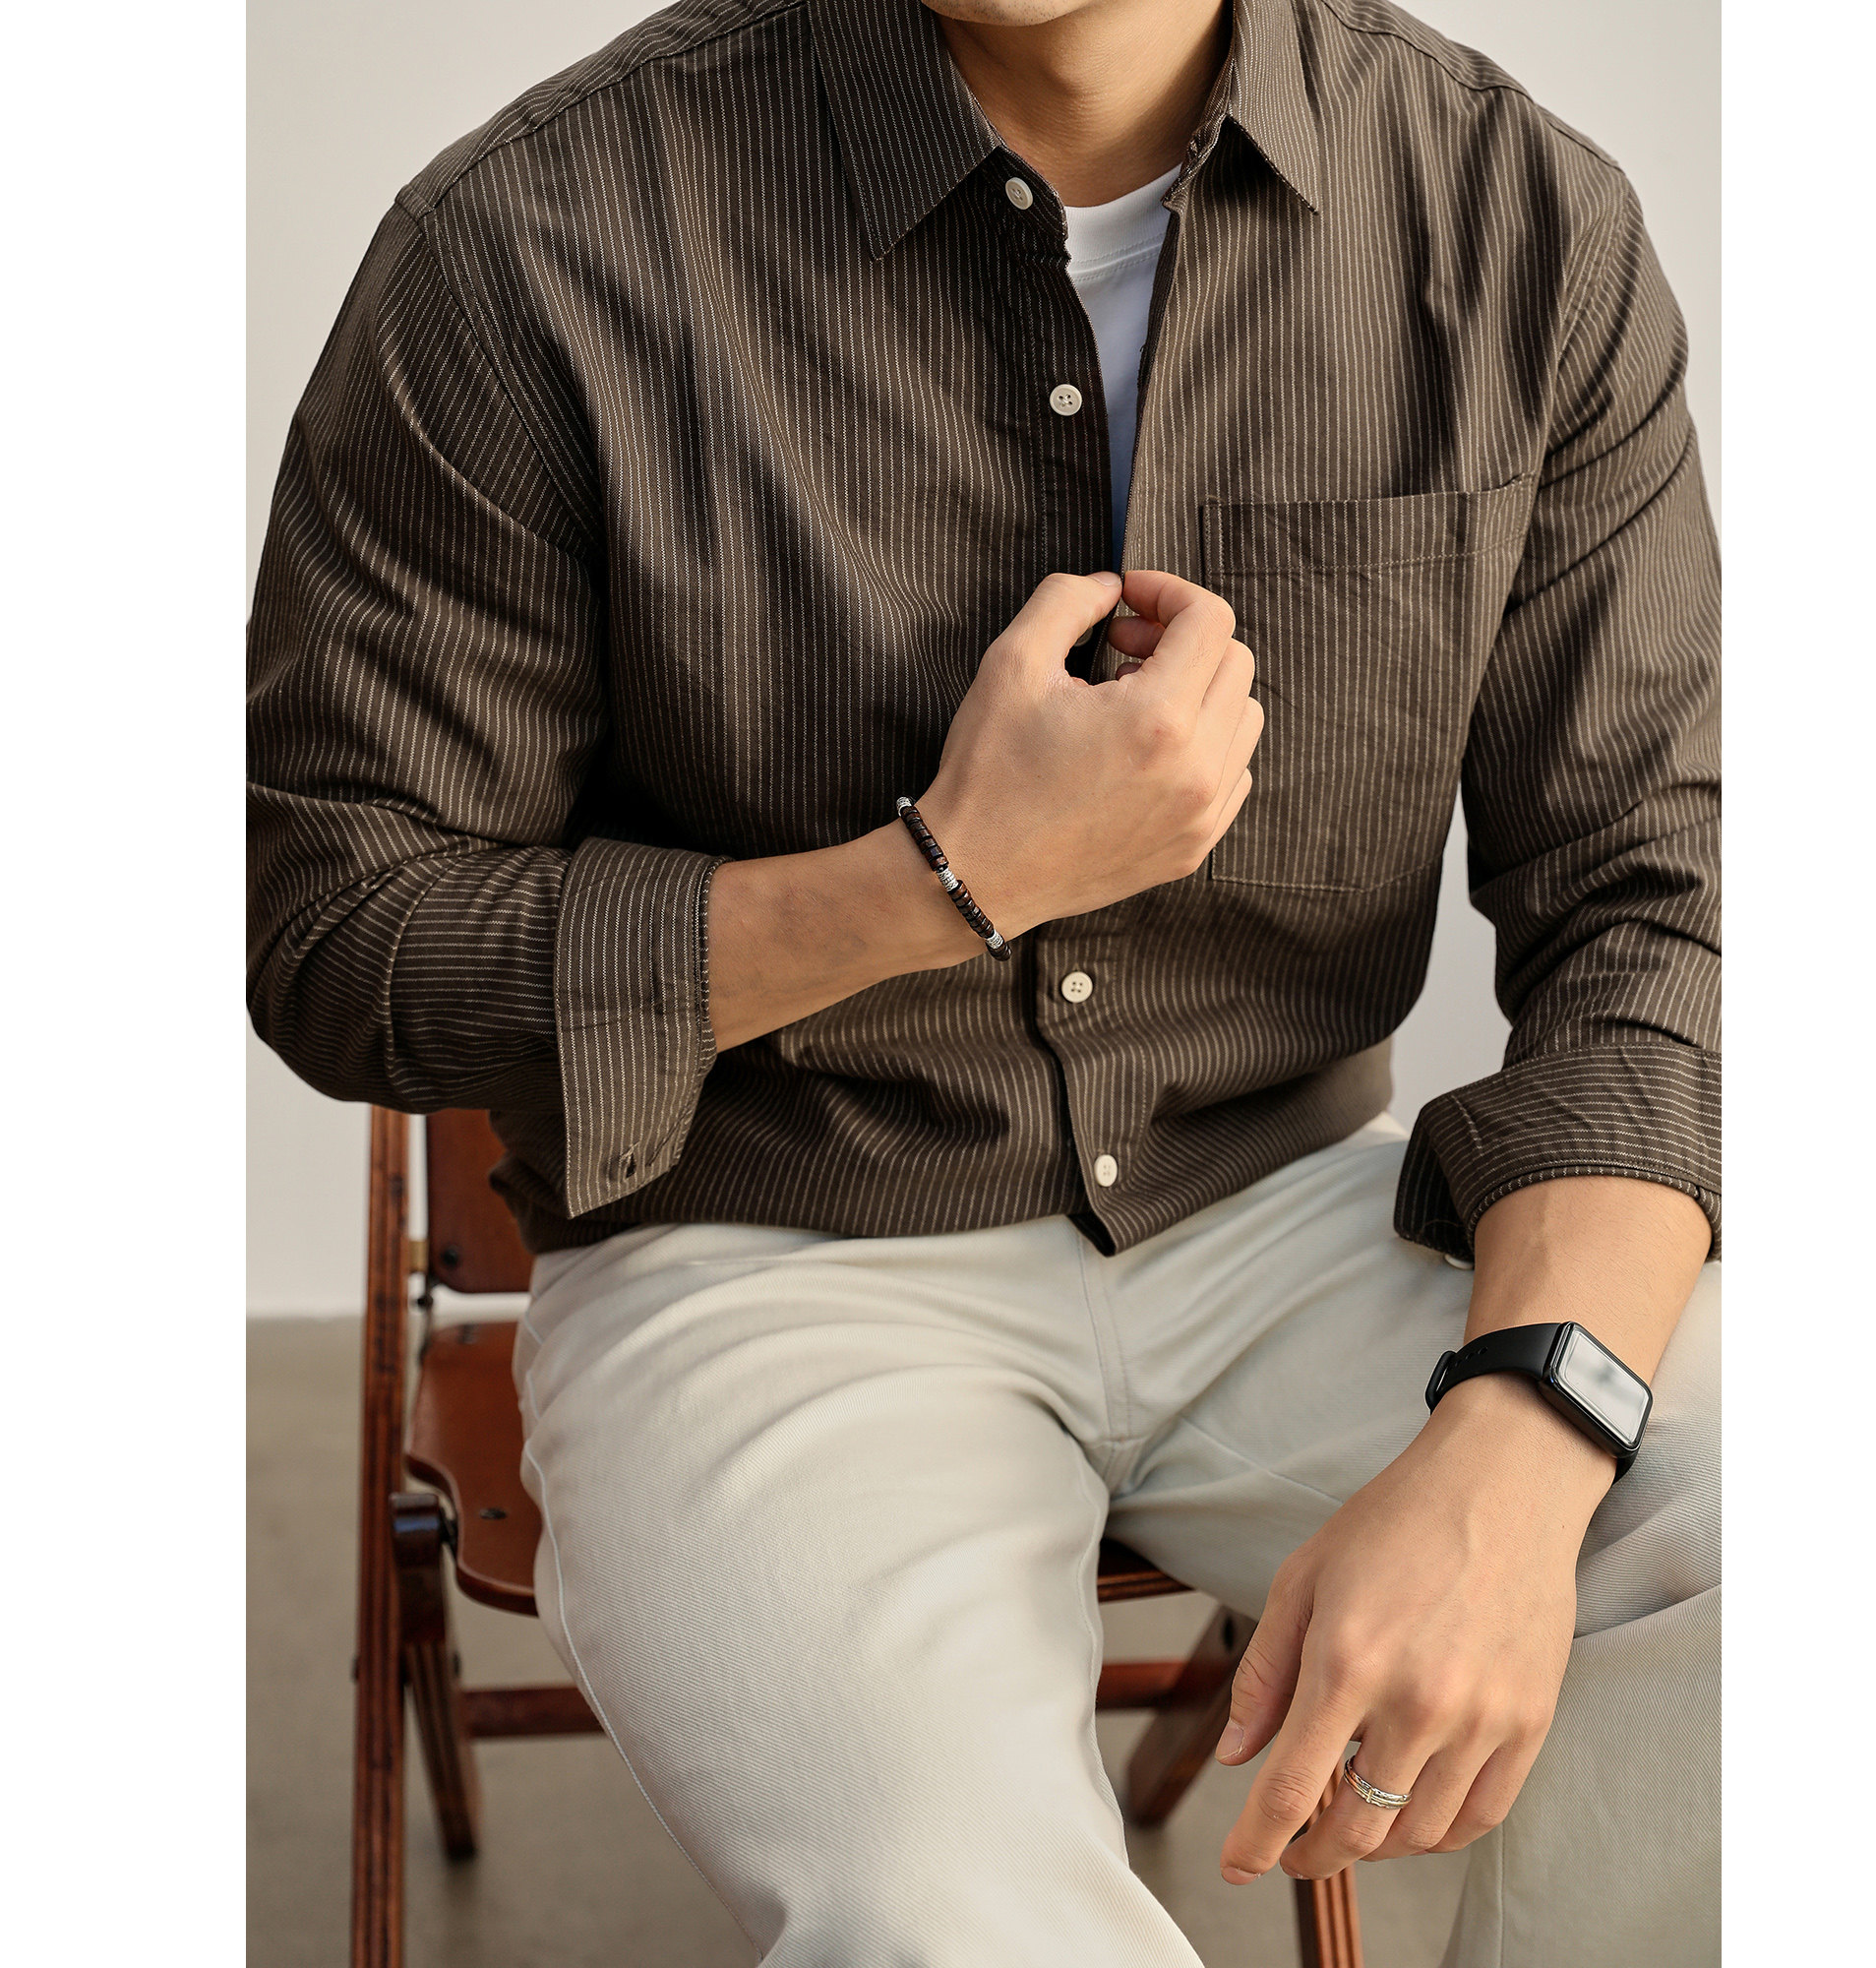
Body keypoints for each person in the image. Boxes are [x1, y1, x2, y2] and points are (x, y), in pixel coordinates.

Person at [247, 0, 1720, 1959]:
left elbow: (1654, 902)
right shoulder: (534, 241)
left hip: (1289, 1209)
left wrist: (1523, 1440)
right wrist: (937, 883)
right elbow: (344, 936)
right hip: (760, 1244)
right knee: (949, 1915)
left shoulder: (1513, 221)